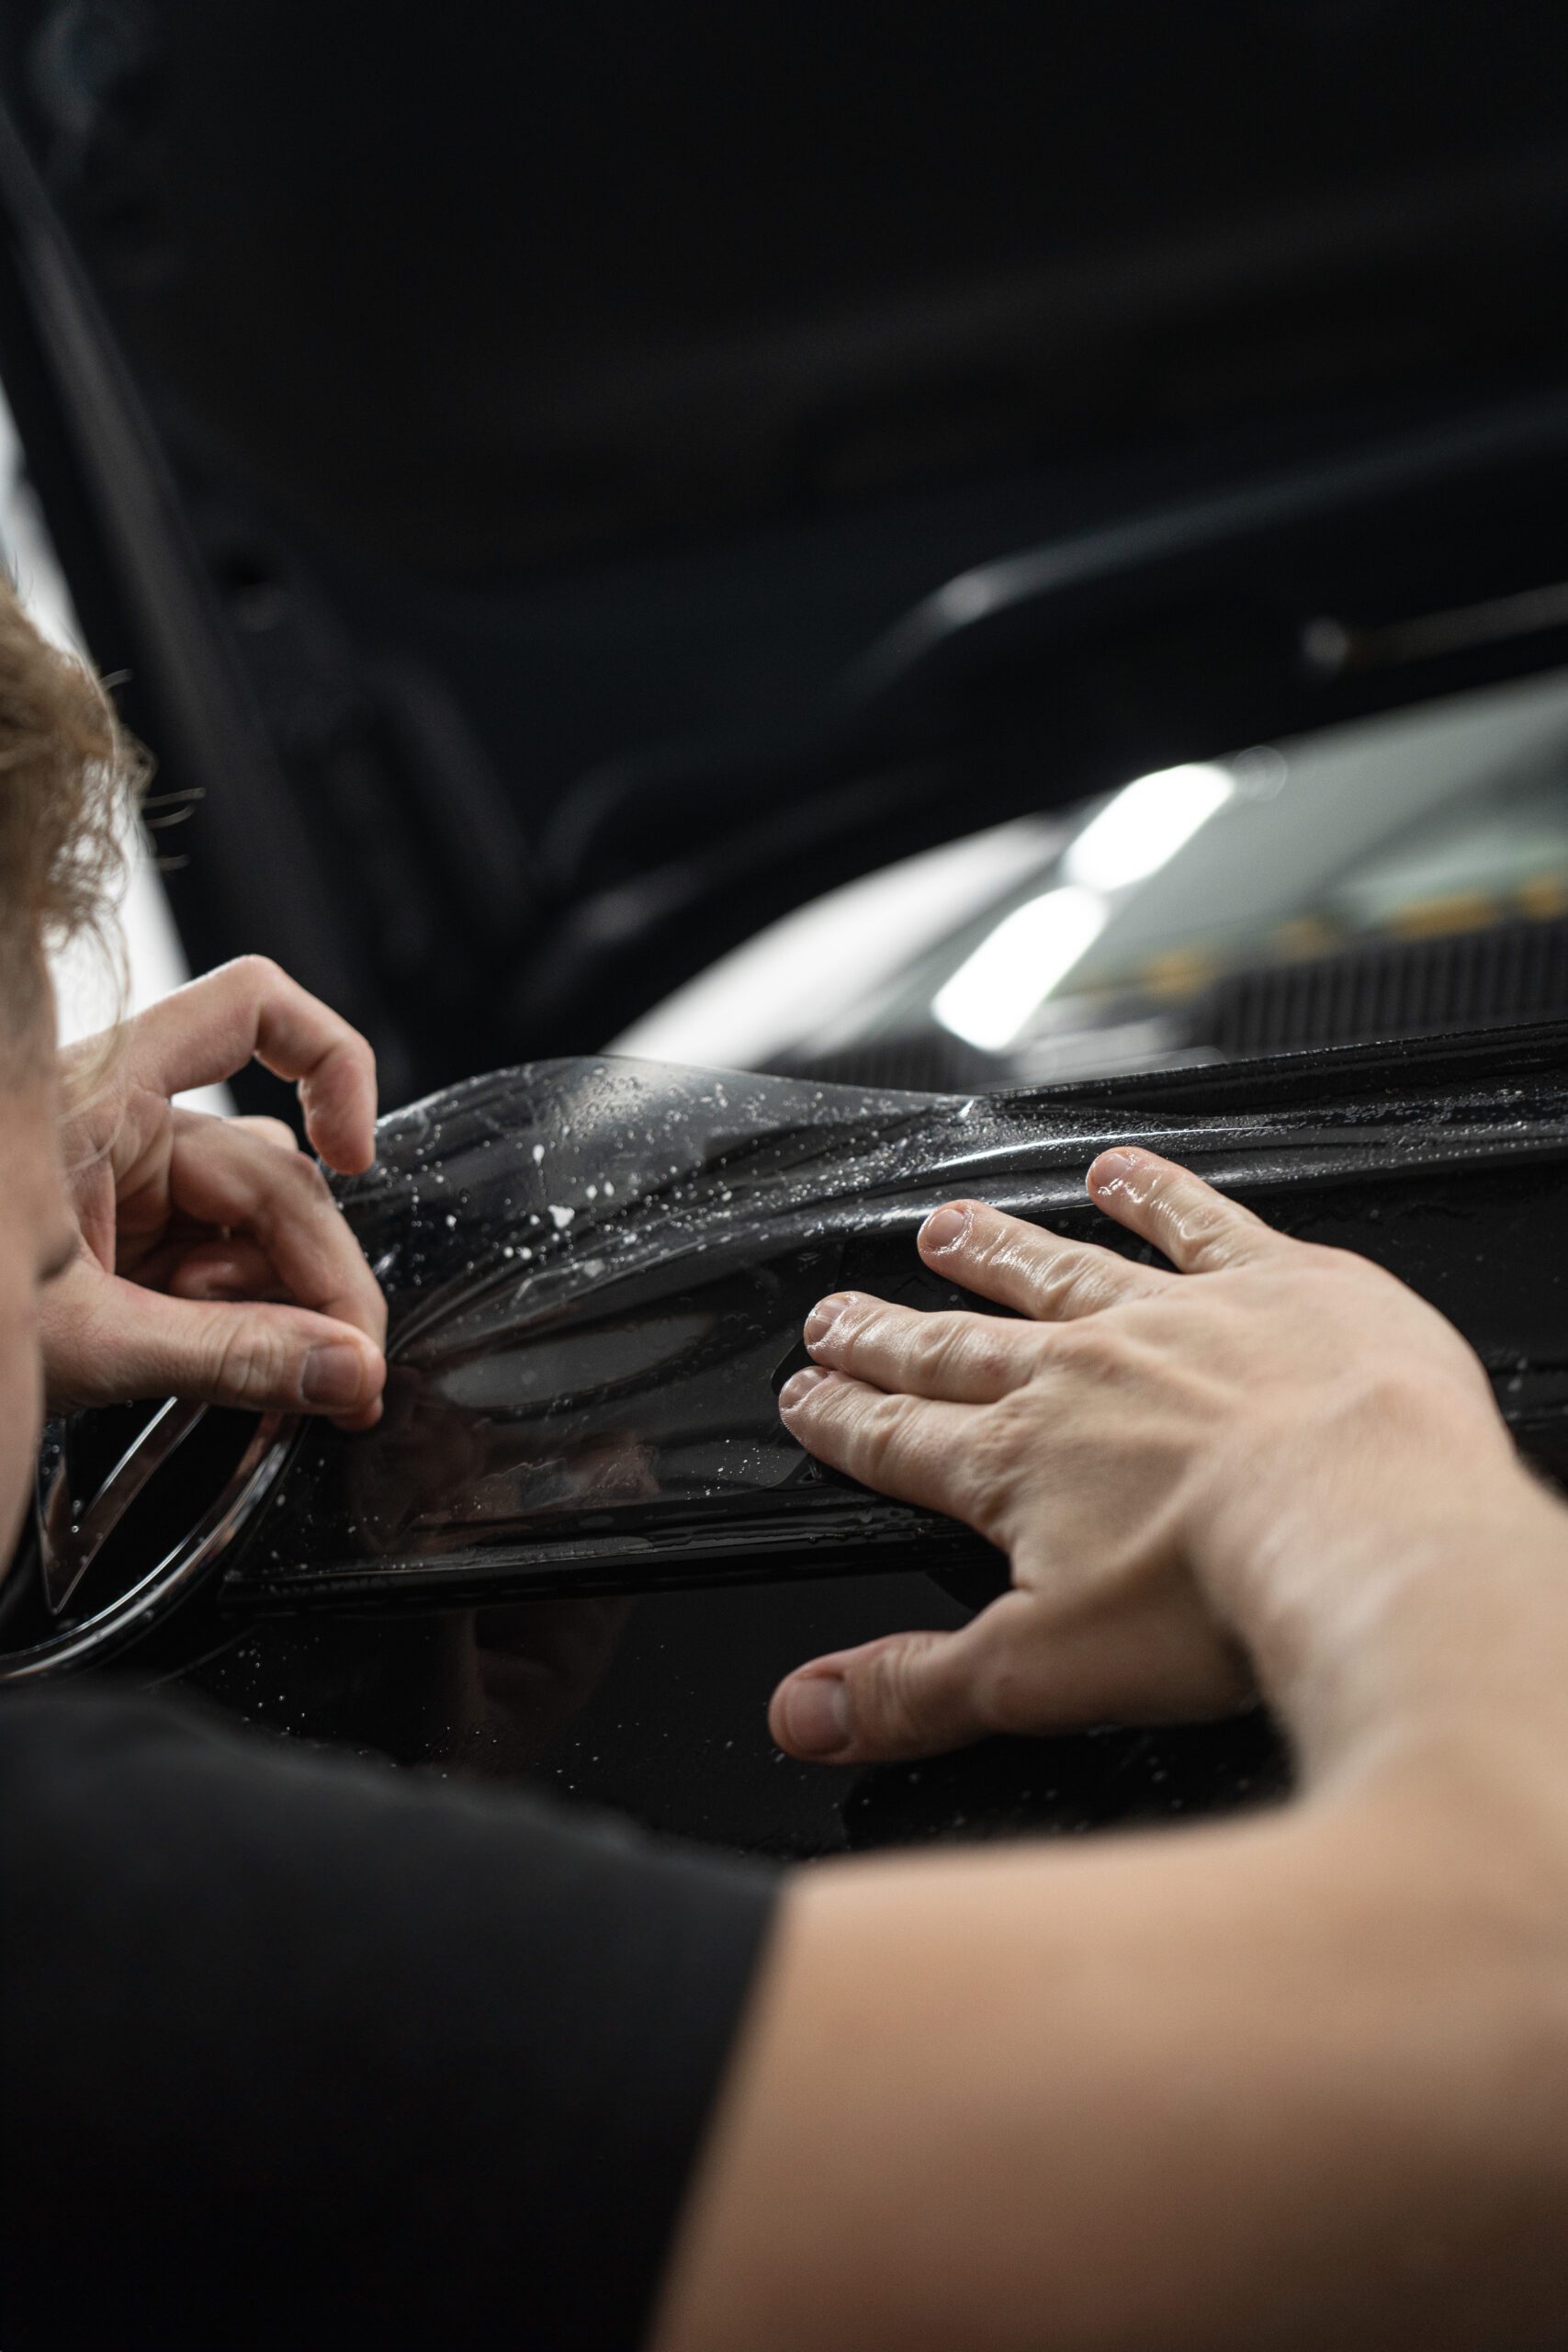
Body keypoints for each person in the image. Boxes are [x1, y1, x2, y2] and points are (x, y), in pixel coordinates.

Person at [0, 580, 1565, 2352]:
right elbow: (1514, 2034)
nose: (71, 1282)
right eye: (39, 1240)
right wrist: (1348, 1449)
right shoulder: (70, 1936)